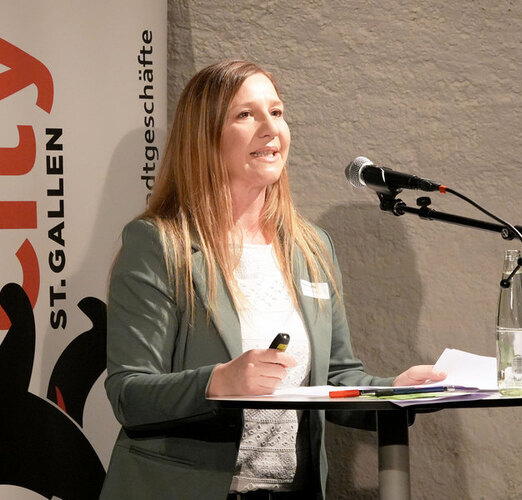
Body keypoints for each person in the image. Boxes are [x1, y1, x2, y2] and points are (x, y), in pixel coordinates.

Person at [100, 60, 444, 500]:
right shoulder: (160, 244)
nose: (270, 129)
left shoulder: (311, 247)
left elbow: (335, 377)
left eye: (277, 112)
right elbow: (128, 394)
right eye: (246, 115)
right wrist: (217, 381)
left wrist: (392, 392)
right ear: (204, 136)